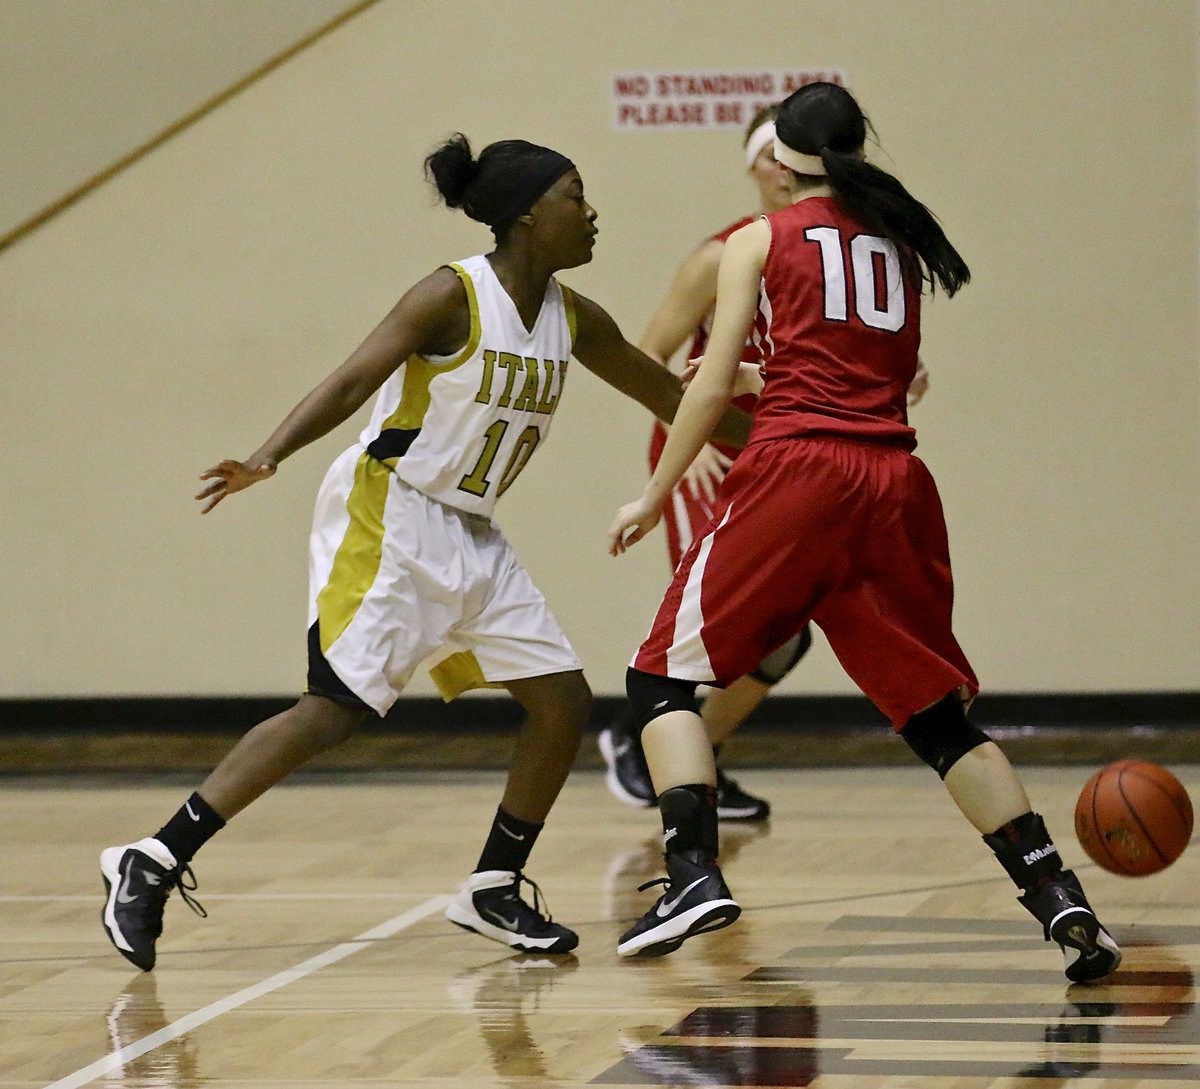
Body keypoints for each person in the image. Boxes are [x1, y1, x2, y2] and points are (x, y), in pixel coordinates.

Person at [99, 132, 751, 972]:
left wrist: (792, 428)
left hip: (471, 526)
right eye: (575, 196)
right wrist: (269, 454)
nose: (592, 214)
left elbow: (667, 391)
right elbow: (349, 380)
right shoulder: (452, 294)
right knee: (334, 709)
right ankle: (151, 858)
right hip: (391, 510)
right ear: (525, 215)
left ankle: (493, 885)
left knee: (561, 702)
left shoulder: (572, 314)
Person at [605, 81, 1122, 984]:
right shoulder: (897, 237)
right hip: (896, 486)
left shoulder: (756, 239)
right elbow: (866, 369)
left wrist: (653, 490)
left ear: (780, 158)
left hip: (801, 473)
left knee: (659, 679)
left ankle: (691, 875)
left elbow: (713, 380)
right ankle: (1058, 895)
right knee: (938, 721)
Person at [599, 105, 930, 822]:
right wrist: (675, 460)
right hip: (706, 453)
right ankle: (649, 756)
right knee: (736, 630)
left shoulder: (842, 249)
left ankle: (693, 759)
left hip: (791, 454)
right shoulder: (729, 250)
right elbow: (649, 354)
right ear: (759, 165)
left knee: (785, 636)